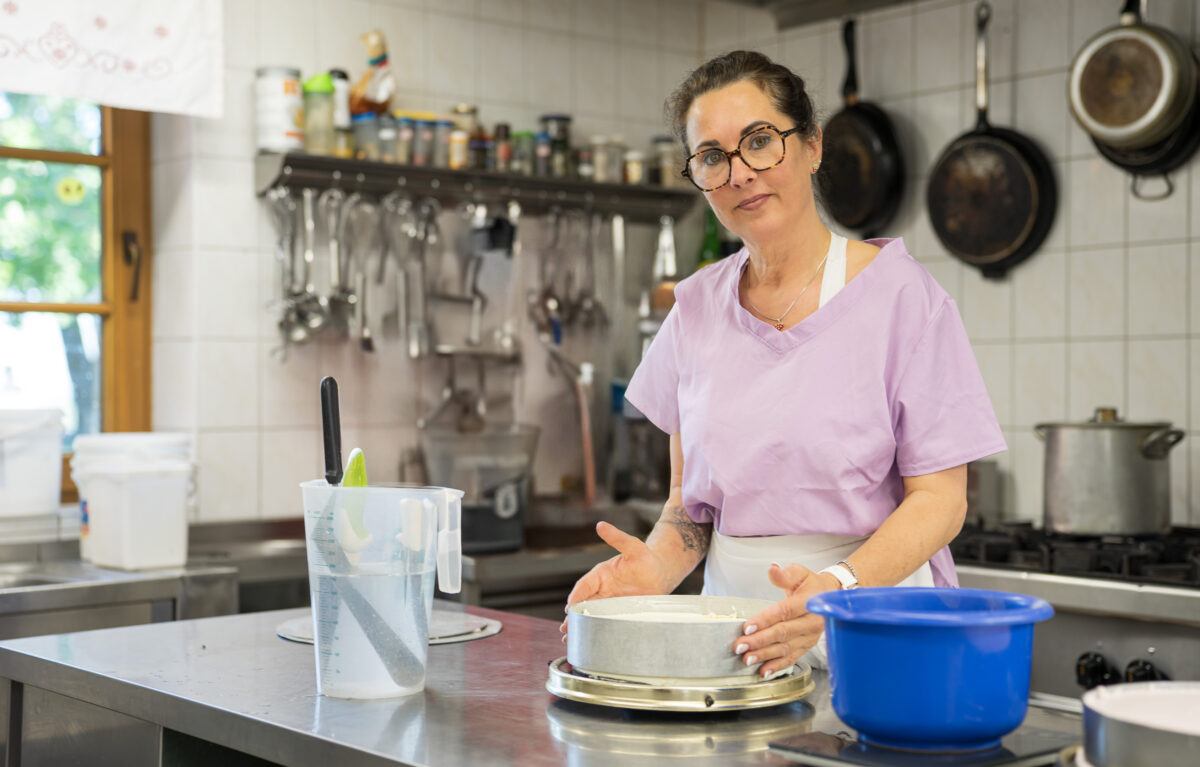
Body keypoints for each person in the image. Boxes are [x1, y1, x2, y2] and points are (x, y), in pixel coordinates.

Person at [561, 51, 1006, 677]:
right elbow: (689, 509)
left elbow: (940, 500)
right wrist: (655, 568)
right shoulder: (694, 310)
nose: (740, 173)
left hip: (875, 628)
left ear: (813, 145)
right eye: (713, 157)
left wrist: (841, 585)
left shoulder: (904, 299)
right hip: (736, 645)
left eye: (760, 142)